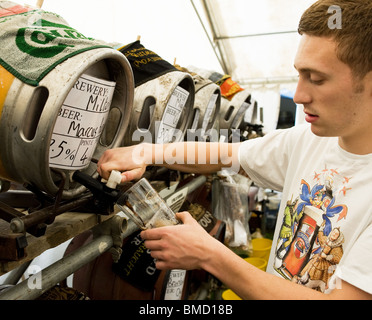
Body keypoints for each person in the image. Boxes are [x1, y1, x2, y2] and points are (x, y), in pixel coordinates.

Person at [97, 0, 372, 300]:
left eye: (317, 79)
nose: (298, 95)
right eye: (299, 75)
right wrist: (147, 154)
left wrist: (209, 255)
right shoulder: (309, 140)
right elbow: (225, 156)